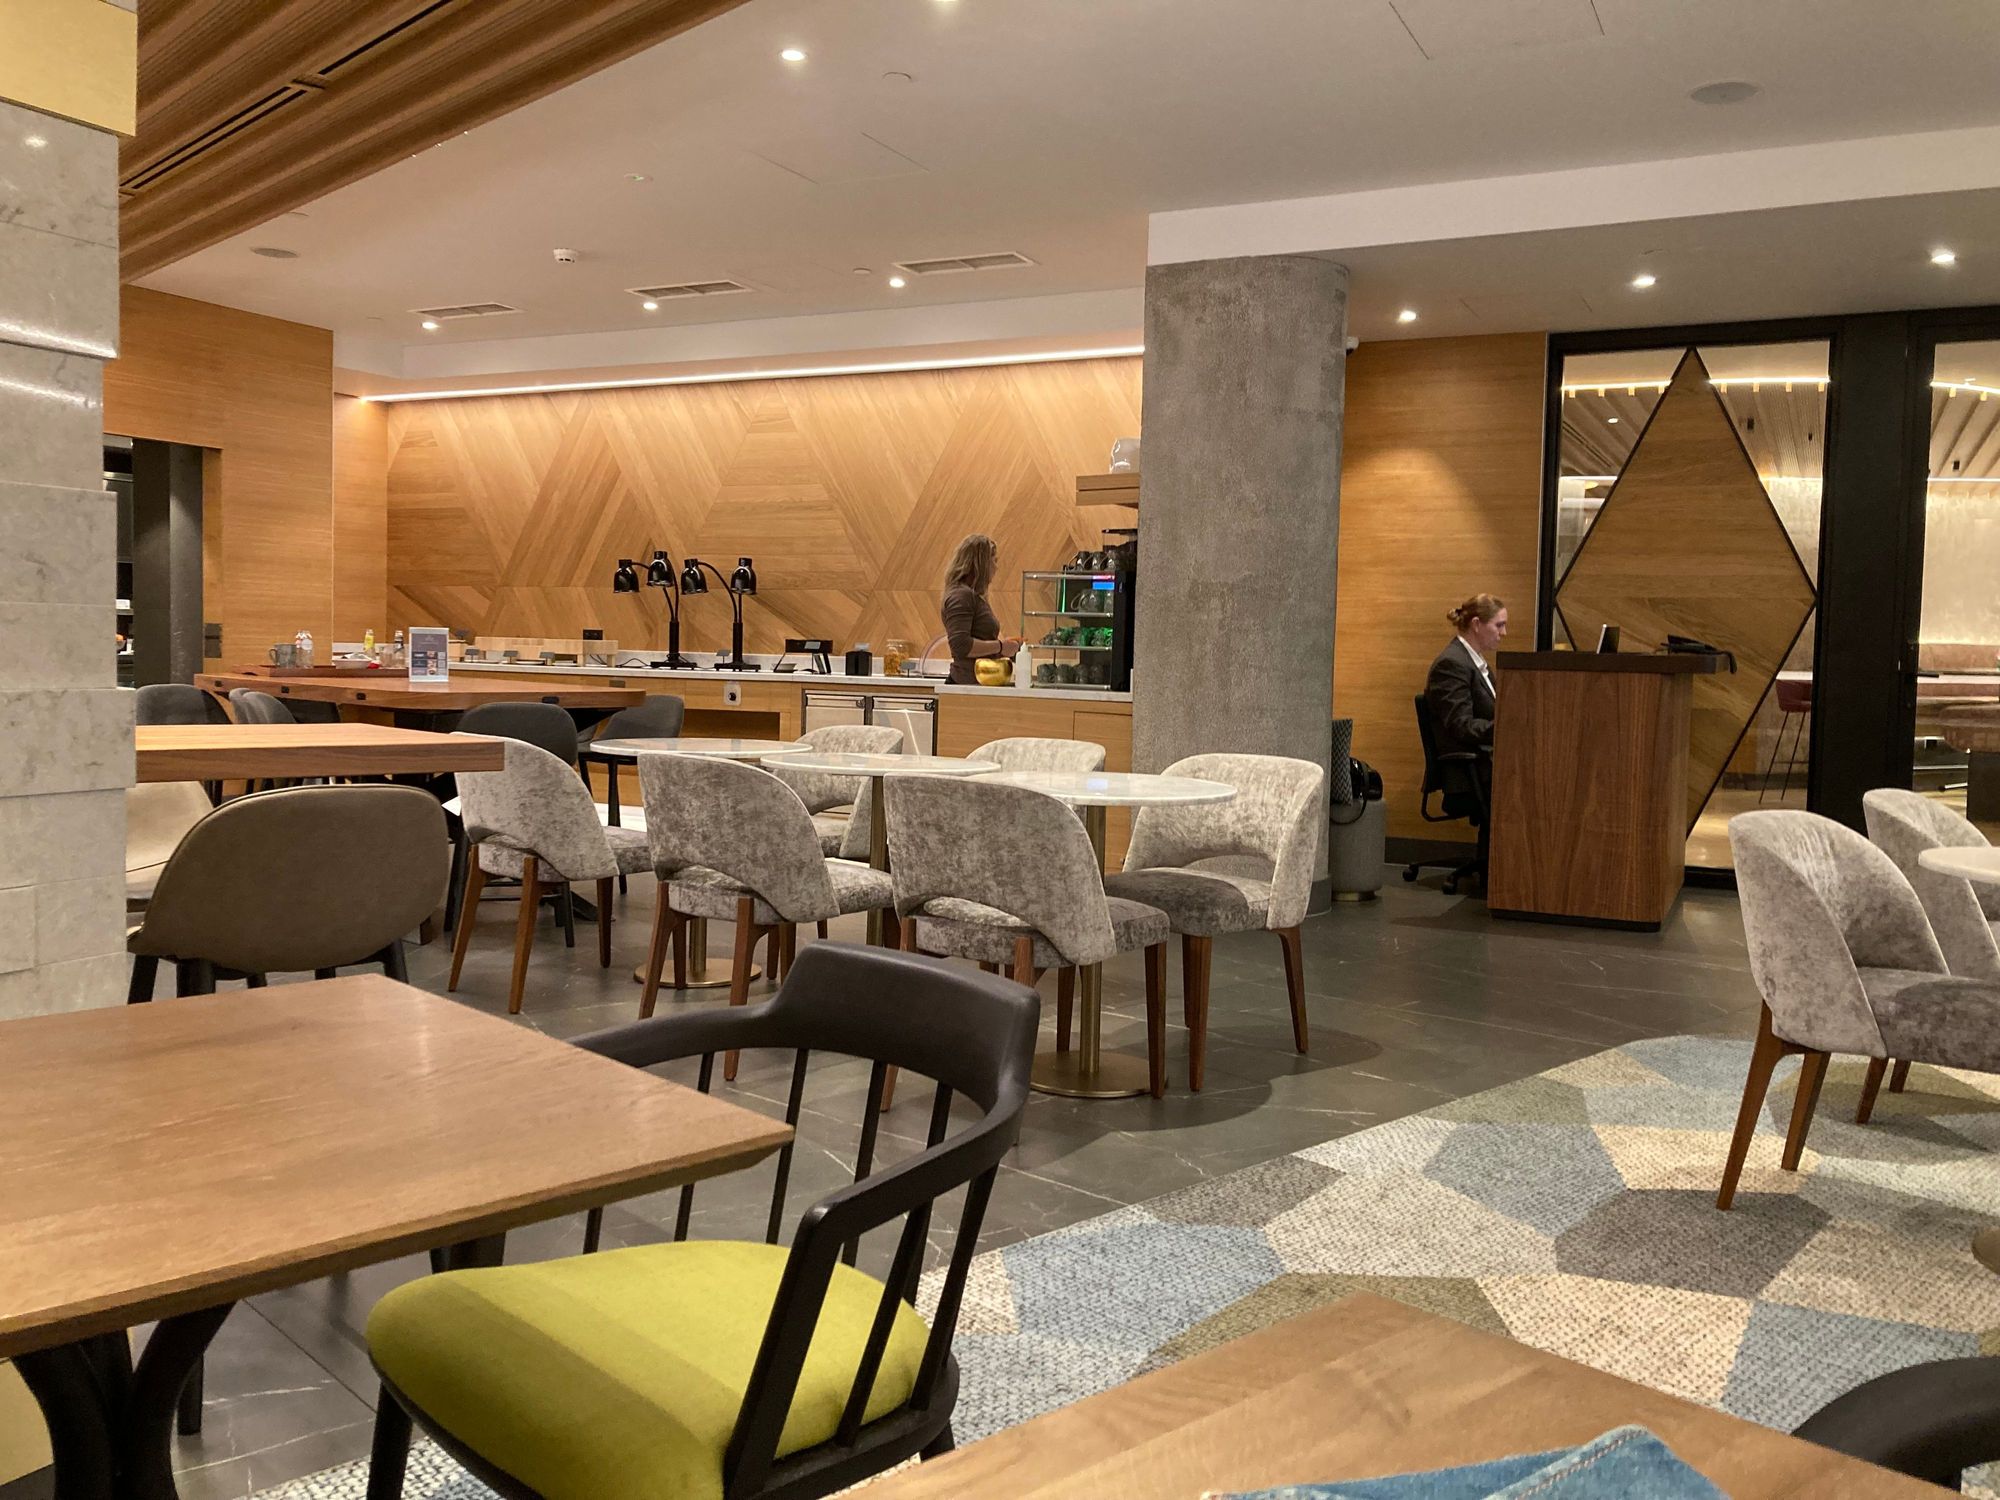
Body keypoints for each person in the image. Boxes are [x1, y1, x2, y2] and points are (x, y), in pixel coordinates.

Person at [1426, 593, 1508, 760]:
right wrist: (1505, 728)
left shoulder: (1474, 662)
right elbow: (1461, 725)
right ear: (1476, 624)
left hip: (1489, 758)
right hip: (1474, 765)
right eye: (1499, 625)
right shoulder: (1451, 664)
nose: (1504, 633)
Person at [940, 533, 1022, 685]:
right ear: (981, 564)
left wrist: (1004, 647)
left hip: (978, 682)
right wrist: (1000, 647)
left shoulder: (972, 596)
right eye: (994, 561)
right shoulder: (961, 596)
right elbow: (961, 645)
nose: (996, 567)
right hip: (965, 684)